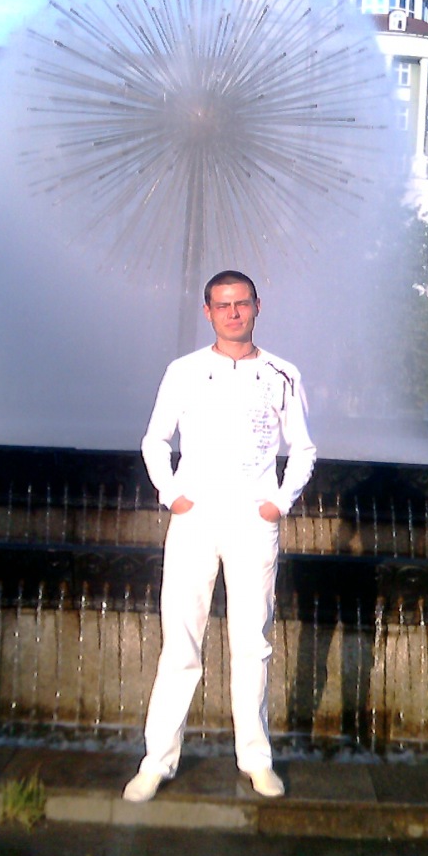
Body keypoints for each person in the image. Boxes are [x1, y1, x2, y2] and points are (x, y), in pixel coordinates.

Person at [123, 269, 317, 803]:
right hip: (195, 520)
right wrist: (172, 494)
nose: (233, 313)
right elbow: (155, 440)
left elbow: (303, 448)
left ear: (257, 306)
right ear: (207, 311)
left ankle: (256, 759)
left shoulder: (283, 373)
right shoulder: (184, 371)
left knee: (252, 642)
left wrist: (278, 503)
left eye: (242, 303)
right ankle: (157, 761)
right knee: (181, 642)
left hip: (253, 522)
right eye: (223, 304)